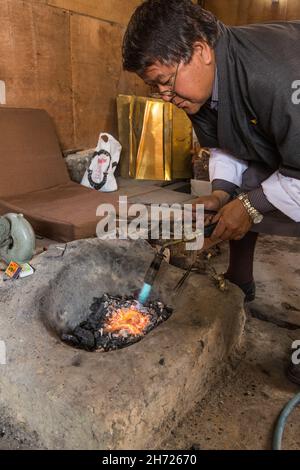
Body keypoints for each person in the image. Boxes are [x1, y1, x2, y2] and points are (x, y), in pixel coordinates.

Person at [122, 0, 300, 384]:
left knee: (251, 200)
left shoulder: (276, 73)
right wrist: (221, 194)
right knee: (245, 190)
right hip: (289, 141)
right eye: (154, 86)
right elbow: (227, 146)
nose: (163, 96)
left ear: (200, 51)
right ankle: (240, 283)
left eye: (165, 82)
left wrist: (250, 205)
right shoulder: (198, 85)